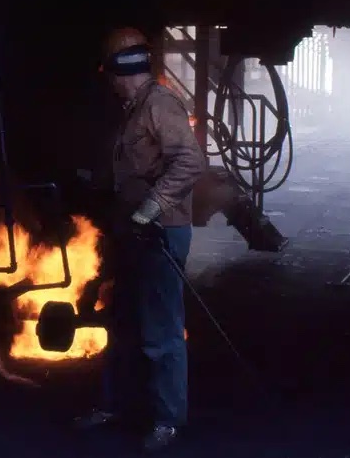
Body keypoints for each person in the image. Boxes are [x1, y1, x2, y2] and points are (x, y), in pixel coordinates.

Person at [75, 27, 206, 453]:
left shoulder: (160, 104)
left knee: (161, 330)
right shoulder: (134, 110)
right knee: (123, 323)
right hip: (134, 232)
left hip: (160, 232)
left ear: (120, 70)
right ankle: (115, 405)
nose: (109, 84)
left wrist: (151, 207)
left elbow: (190, 162)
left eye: (109, 74)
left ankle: (168, 420)